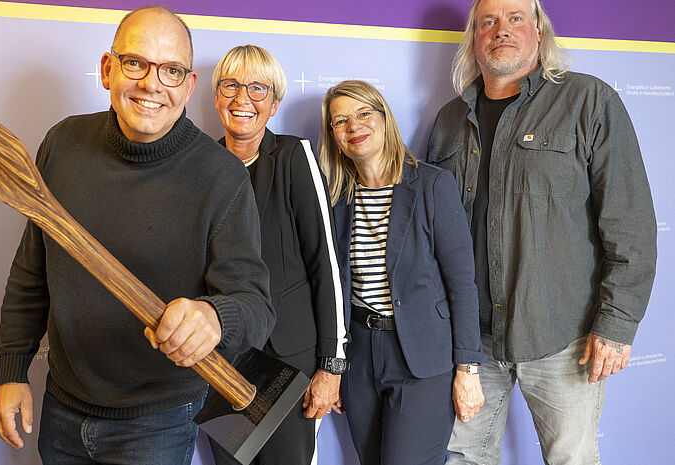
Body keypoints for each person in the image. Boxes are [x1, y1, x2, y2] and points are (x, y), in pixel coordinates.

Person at [0, 6, 275, 465]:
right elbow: (32, 269)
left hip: (158, 423)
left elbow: (256, 305)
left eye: (172, 70)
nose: (151, 84)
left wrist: (215, 317)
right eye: (135, 63)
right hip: (62, 406)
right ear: (108, 69)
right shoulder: (61, 144)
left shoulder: (222, 176)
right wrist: (12, 370)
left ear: (188, 85)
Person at [427, 0, 657, 463]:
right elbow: (434, 234)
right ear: (475, 37)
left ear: (539, 31)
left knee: (571, 459)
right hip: (473, 343)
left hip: (561, 335)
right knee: (461, 459)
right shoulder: (450, 120)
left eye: (515, 18)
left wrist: (615, 326)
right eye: (488, 21)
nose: (501, 30)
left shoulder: (588, 101)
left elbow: (629, 222)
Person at [319, 79, 486, 465]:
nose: (353, 126)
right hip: (360, 357)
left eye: (363, 113)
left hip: (422, 357)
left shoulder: (431, 185)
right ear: (333, 135)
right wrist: (336, 366)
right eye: (340, 121)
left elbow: (462, 284)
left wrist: (468, 368)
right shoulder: (335, 198)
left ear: (384, 118)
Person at [207, 44, 347, 465]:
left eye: (257, 89)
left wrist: (331, 367)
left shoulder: (292, 156)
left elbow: (326, 262)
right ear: (216, 97)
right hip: (223, 360)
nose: (242, 99)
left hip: (289, 358)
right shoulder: (202, 166)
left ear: (274, 103)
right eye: (230, 86)